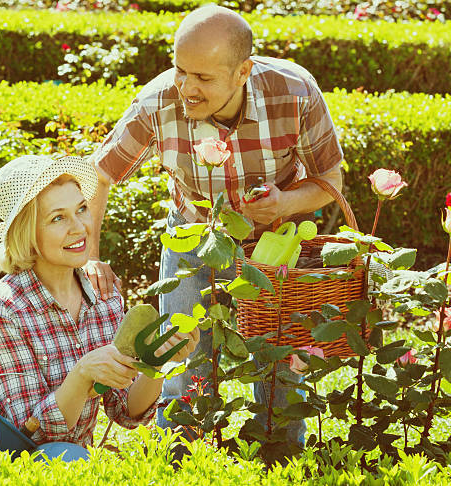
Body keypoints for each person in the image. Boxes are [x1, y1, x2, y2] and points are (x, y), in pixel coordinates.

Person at [85, 5, 344, 445]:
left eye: (203, 78)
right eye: (180, 70)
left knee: (279, 361)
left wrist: (286, 203)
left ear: (243, 71)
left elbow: (331, 181)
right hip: (192, 238)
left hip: (273, 248)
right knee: (183, 358)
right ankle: (178, 452)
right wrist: (90, 258)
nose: (187, 87)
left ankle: (278, 449)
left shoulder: (295, 91)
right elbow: (99, 174)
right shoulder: (157, 101)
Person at [0, 155, 199, 454]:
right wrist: (82, 375)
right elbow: (27, 436)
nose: (79, 227)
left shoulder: (103, 296)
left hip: (74, 460)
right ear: (28, 234)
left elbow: (126, 410)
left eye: (81, 209)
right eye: (58, 217)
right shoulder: (2, 308)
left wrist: (156, 363)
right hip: (6, 459)